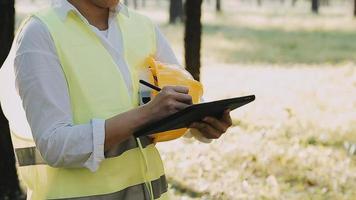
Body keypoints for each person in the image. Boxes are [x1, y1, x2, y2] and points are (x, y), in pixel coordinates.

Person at [0, 0, 233, 199]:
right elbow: (55, 145)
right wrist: (146, 114)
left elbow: (186, 99)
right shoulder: (40, 34)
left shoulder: (143, 27)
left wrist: (203, 124)